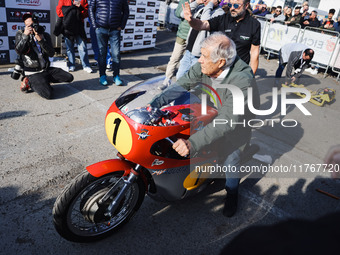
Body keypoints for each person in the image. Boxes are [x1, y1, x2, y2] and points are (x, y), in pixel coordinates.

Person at [150, 33, 260, 217]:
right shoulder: (206, 65)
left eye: (204, 57)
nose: (199, 60)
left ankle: (232, 193)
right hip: (213, 105)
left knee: (231, 158)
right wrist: (153, 105)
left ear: (221, 63)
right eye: (201, 55)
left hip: (237, 120)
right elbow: (180, 85)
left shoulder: (242, 81)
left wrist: (193, 143)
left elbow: (227, 121)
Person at [183, 0, 261, 75]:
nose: (232, 8)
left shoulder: (254, 25)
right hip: (218, 70)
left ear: (246, 5)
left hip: (238, 72)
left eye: (236, 5)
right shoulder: (223, 18)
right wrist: (191, 20)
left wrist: (250, 76)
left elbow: (254, 53)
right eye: (230, 5)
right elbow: (202, 25)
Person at [15, 13, 74, 99]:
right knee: (48, 94)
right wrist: (25, 36)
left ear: (37, 23)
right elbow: (18, 51)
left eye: (32, 25)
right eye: (27, 26)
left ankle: (43, 82)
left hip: (45, 69)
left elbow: (51, 53)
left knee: (69, 77)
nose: (30, 27)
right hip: (33, 72)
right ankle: (28, 81)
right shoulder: (21, 34)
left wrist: (41, 40)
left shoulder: (45, 35)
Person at [176, 0, 224, 79]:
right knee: (179, 77)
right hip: (189, 51)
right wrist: (197, 2)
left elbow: (204, 21)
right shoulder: (201, 8)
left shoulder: (219, 13)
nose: (205, 0)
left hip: (200, 55)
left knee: (193, 82)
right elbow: (183, 14)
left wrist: (210, 4)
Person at [89, 0, 129, 86]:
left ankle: (116, 76)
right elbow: (91, 9)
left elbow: (126, 11)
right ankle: (102, 76)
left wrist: (122, 25)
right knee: (102, 54)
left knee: (116, 54)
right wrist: (95, 25)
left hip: (115, 30)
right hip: (101, 29)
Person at [159, 0, 192, 90]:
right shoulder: (184, 1)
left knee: (188, 62)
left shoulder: (202, 2)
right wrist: (192, 5)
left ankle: (182, 85)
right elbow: (178, 13)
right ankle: (166, 81)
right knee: (174, 58)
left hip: (194, 36)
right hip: (182, 35)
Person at [56, 0, 93, 73]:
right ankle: (71, 65)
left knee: (83, 47)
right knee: (69, 48)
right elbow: (59, 12)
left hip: (79, 26)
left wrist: (80, 7)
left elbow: (86, 13)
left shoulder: (83, 0)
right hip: (68, 26)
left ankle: (86, 65)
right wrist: (70, 12)